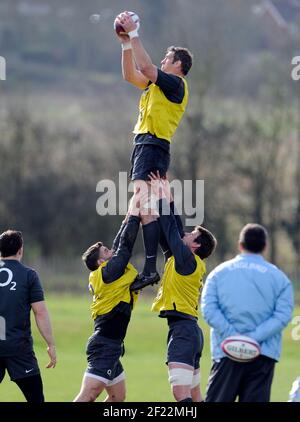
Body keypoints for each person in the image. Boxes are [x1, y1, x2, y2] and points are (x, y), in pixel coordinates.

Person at [115, 11, 193, 288]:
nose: (161, 62)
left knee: (143, 203)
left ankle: (149, 266)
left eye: (166, 59)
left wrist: (134, 33)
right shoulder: (156, 86)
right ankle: (158, 261)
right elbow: (130, 75)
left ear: (178, 65)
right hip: (144, 144)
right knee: (145, 205)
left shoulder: (176, 84)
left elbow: (147, 68)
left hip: (154, 144)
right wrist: (125, 43)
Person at [131, 175, 216, 402]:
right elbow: (175, 228)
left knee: (181, 395)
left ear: (195, 245)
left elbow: (170, 229)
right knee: (195, 396)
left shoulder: (186, 259)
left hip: (183, 332)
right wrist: (167, 196)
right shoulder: (185, 260)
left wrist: (160, 196)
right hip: (190, 331)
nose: (186, 234)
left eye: (191, 235)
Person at [201, 224, 294, 402]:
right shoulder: (280, 278)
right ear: (265, 246)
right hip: (263, 354)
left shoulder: (218, 273)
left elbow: (209, 309)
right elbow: (282, 315)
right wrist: (253, 338)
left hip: (226, 351)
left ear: (240, 244)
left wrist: (234, 337)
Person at [73, 195, 142, 402]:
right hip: (105, 344)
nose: (111, 251)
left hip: (111, 345)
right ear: (102, 261)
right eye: (106, 251)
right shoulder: (107, 273)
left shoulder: (108, 274)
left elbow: (118, 245)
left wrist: (128, 216)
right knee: (90, 393)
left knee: (117, 397)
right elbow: (124, 247)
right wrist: (134, 218)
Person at [0, 230, 56, 403]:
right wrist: (50, 344)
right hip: (19, 349)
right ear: (20, 250)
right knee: (36, 400)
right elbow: (40, 312)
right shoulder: (28, 275)